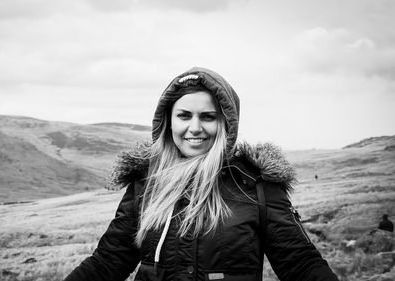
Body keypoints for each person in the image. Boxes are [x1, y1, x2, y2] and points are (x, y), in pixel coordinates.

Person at [64, 67, 338, 281]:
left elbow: (300, 263)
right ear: (167, 121)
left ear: (225, 124)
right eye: (184, 115)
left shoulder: (255, 185)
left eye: (208, 117)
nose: (195, 127)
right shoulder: (146, 183)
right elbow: (107, 262)